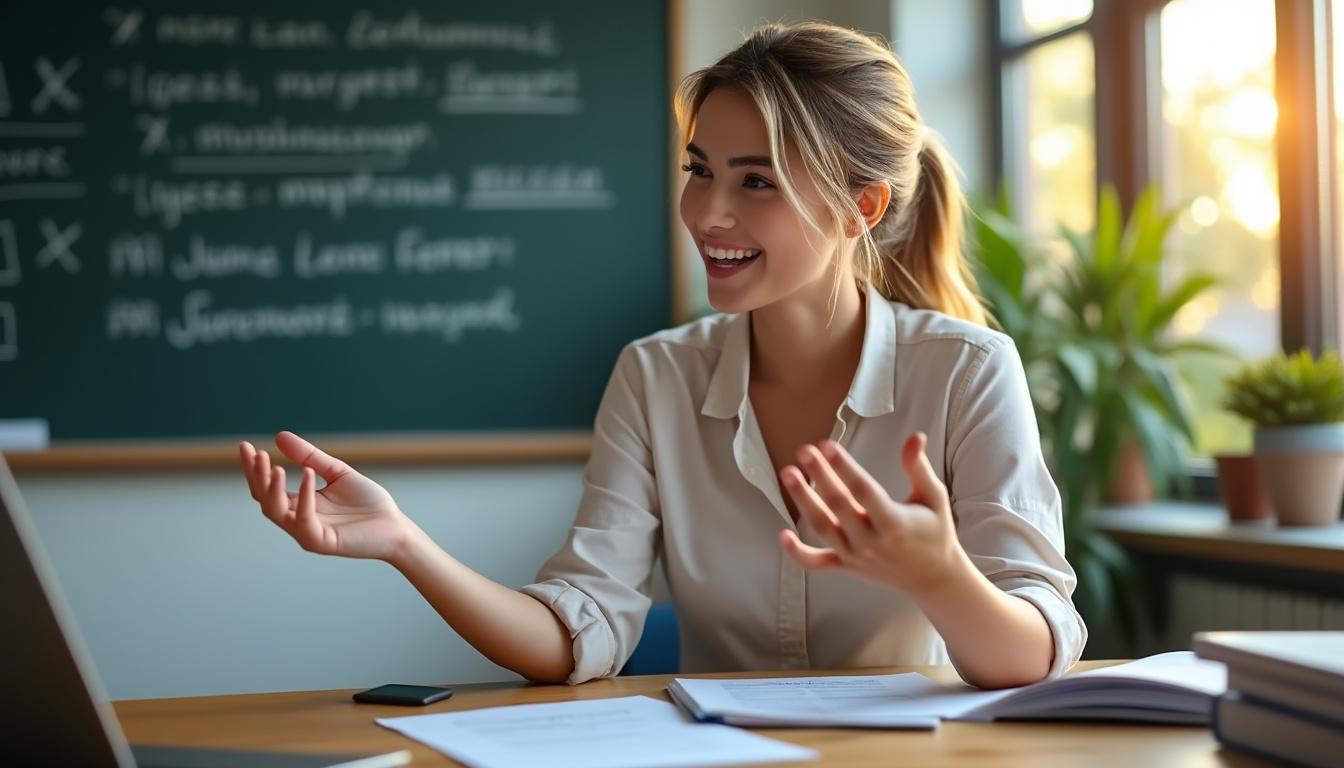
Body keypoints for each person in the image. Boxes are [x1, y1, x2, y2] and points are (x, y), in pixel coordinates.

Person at [239, 20, 1086, 690]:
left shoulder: (968, 371)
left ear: (860, 206)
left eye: (756, 181)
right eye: (699, 170)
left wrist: (939, 576)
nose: (709, 213)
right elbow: (582, 627)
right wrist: (403, 543)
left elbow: (1036, 648)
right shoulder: (655, 376)